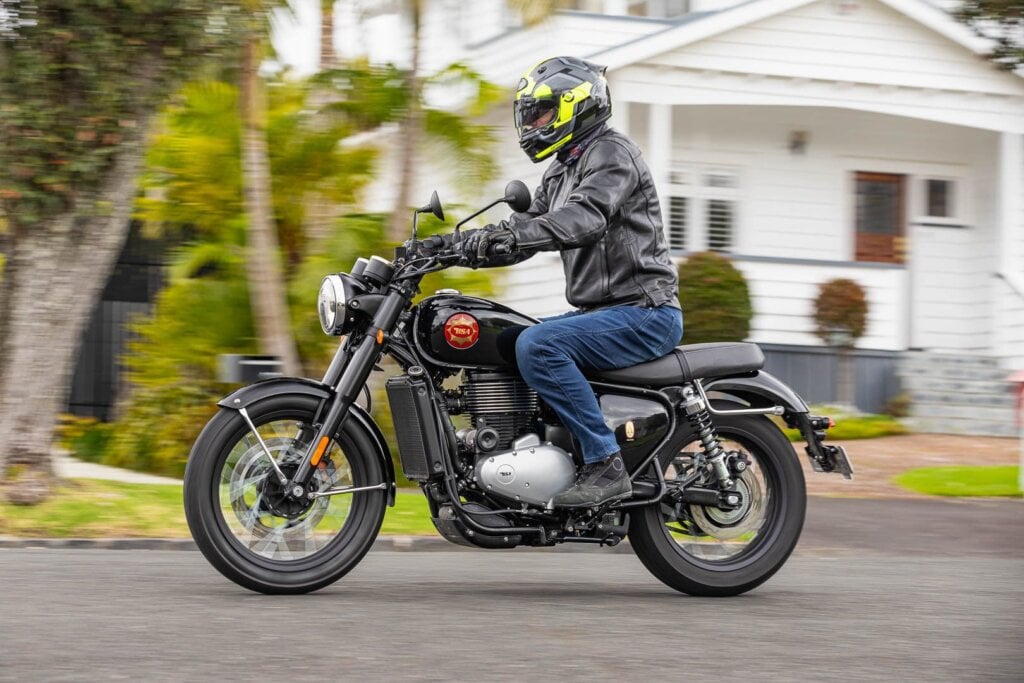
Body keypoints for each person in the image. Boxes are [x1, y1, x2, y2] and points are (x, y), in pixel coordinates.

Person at [458, 56, 682, 507]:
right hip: (602, 313)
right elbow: (527, 235)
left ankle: (605, 463)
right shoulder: (560, 170)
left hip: (644, 311)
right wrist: (458, 247)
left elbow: (584, 218)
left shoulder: (612, 154)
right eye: (531, 115)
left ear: (576, 105)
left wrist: (509, 233)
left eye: (541, 112)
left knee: (539, 345)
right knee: (509, 338)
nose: (534, 123)